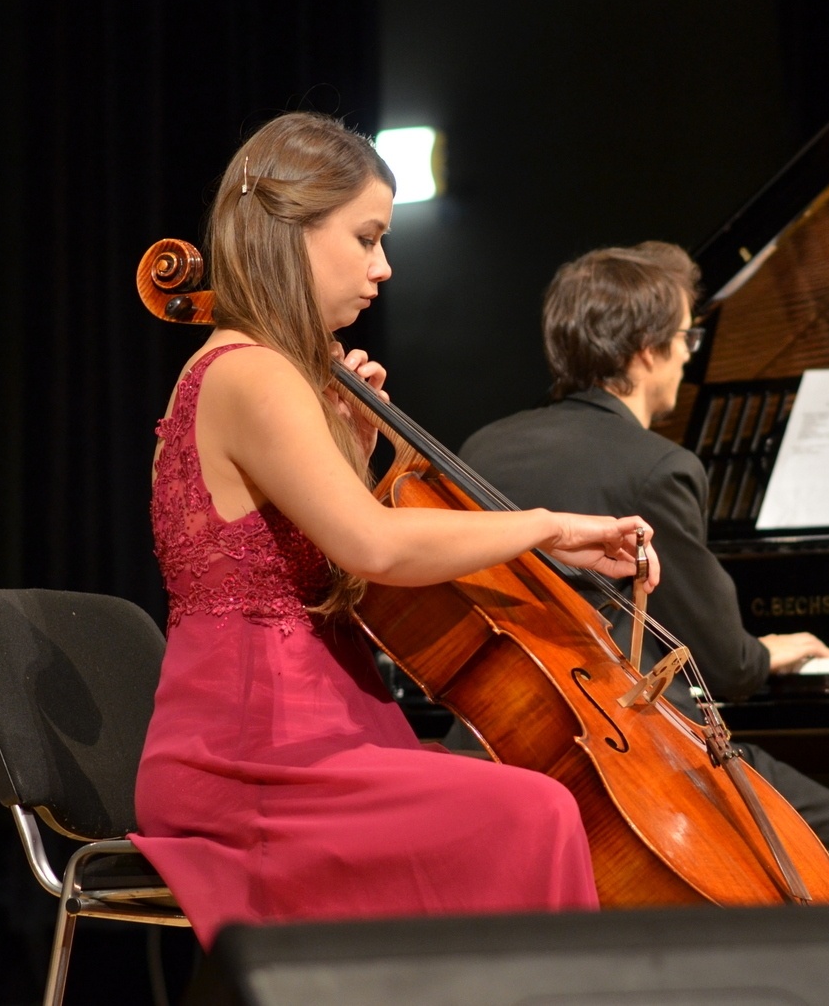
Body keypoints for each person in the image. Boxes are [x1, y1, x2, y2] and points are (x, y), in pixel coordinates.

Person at [130, 113, 661, 947]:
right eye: (367, 237)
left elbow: (337, 562)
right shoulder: (254, 373)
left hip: (305, 729)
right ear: (290, 232)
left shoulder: (259, 372)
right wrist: (545, 528)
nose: (385, 267)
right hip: (255, 756)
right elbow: (374, 547)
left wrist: (354, 445)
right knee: (537, 813)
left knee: (521, 805)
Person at [458, 241, 829, 901]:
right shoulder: (658, 467)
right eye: (687, 336)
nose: (691, 354)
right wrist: (770, 650)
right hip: (641, 764)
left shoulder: (483, 446)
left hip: (496, 745)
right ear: (648, 350)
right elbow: (724, 663)